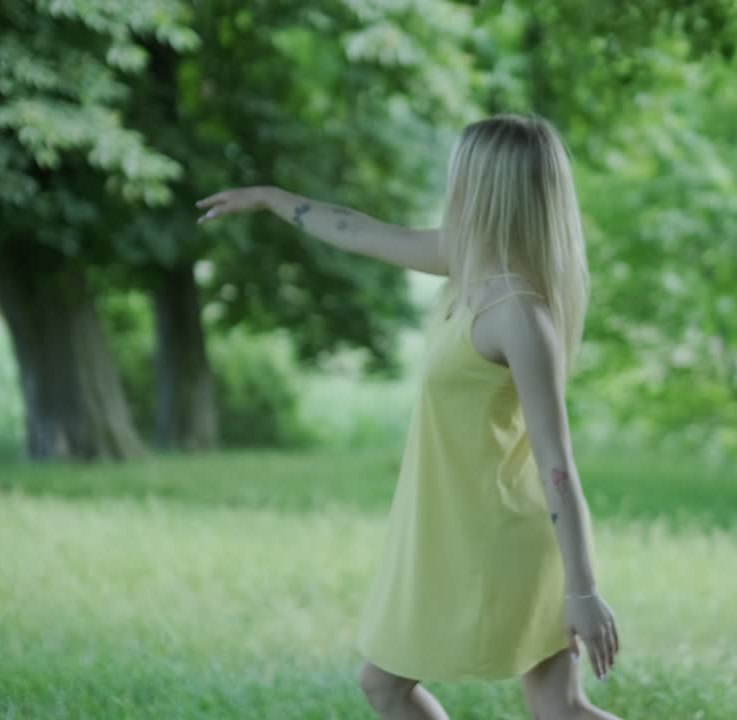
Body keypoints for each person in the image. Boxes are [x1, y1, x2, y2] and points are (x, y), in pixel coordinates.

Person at [196, 114, 622, 720]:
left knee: (440, 691)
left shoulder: (519, 315)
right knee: (548, 709)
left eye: (462, 174)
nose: (452, 185)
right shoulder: (464, 263)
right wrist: (269, 198)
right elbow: (361, 231)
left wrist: (582, 590)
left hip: (498, 538)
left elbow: (557, 462)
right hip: (450, 528)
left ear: (488, 187)